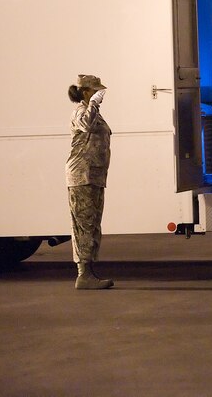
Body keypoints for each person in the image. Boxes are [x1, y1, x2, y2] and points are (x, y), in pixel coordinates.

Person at [66, 74, 114, 290]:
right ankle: (83, 274)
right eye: (95, 91)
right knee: (84, 223)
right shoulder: (80, 111)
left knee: (92, 223)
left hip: (93, 176)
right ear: (85, 92)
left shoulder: (94, 113)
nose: (99, 94)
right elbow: (85, 124)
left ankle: (89, 271)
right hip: (82, 176)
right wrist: (93, 103)